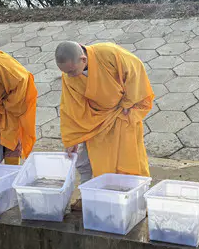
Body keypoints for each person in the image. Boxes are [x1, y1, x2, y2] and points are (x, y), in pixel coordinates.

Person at [55, 41, 154, 196]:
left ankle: (134, 193)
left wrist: (129, 101)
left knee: (128, 157)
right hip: (96, 119)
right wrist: (72, 139)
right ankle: (90, 194)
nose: (69, 76)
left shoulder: (109, 54)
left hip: (123, 111)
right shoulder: (69, 76)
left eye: (72, 71)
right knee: (89, 158)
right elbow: (71, 106)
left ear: (83, 59)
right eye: (65, 72)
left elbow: (136, 70)